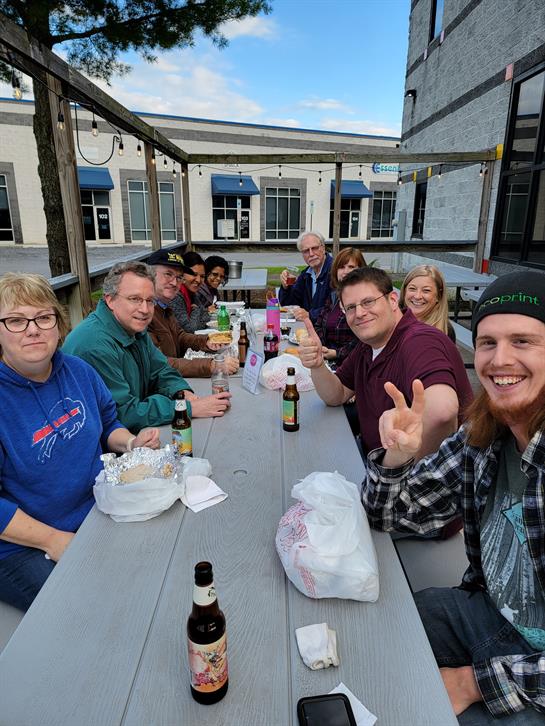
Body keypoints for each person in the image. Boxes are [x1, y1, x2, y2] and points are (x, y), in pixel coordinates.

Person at [364, 271, 545, 725]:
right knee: (381, 626)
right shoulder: (482, 436)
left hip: (536, 669)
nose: (499, 360)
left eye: (522, 341)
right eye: (487, 343)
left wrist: (469, 684)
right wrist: (394, 459)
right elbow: (386, 516)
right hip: (491, 613)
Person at [0, 273, 161, 611]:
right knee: (88, 608)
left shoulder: (78, 371)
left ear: (58, 324)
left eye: (44, 317)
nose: (33, 329)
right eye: (16, 320)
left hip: (95, 511)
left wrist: (131, 444)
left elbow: (108, 423)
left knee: (156, 569)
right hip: (22, 543)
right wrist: (53, 539)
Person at [299, 266, 473, 461]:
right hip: (370, 460)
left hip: (409, 481)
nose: (360, 313)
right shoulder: (368, 344)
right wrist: (317, 365)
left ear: (392, 300)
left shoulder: (420, 340)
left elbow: (441, 412)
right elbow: (337, 394)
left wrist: (391, 472)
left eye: (368, 302)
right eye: (350, 308)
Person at [63, 261, 231, 431]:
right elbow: (123, 413)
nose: (144, 309)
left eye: (150, 301)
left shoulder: (132, 326)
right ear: (110, 300)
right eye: (134, 299)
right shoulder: (94, 345)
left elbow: (160, 370)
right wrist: (187, 409)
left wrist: (182, 393)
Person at [147, 249, 238, 378]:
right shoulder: (144, 313)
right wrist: (211, 365)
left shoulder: (164, 306)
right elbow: (158, 364)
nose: (174, 282)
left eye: (178, 277)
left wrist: (207, 341)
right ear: (149, 275)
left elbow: (180, 336)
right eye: (168, 274)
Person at [297, 247, 366, 368]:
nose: (345, 272)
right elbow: (319, 323)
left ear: (362, 270)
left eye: (351, 267)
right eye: (342, 267)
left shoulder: (366, 301)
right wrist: (322, 347)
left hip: (352, 366)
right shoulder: (335, 296)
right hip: (327, 361)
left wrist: (336, 353)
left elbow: (364, 340)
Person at [278, 231, 333, 323]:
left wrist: (310, 315)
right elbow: (290, 305)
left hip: (330, 333)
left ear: (323, 248)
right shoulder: (306, 274)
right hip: (309, 328)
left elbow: (337, 308)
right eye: (306, 251)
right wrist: (286, 287)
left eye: (314, 248)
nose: (311, 254)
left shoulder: (336, 271)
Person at [400, 264, 456, 341]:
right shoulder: (391, 322)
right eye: (412, 288)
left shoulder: (446, 331)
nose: (417, 296)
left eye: (426, 290)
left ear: (438, 296)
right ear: (404, 291)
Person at [170, 251, 211, 333]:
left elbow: (207, 317)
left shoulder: (192, 293)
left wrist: (197, 319)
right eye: (194, 274)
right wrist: (195, 311)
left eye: (202, 276)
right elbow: (190, 330)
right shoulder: (176, 296)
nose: (199, 280)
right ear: (182, 273)